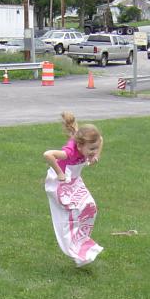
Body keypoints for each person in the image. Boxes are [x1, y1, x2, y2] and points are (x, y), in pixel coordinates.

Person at [42, 111, 104, 267]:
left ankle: (81, 243)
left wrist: (96, 156)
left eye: (95, 148)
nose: (93, 151)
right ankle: (71, 246)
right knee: (74, 211)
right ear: (79, 146)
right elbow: (48, 154)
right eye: (91, 149)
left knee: (91, 207)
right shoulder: (68, 152)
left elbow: (100, 140)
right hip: (58, 183)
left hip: (74, 181)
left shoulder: (89, 144)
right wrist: (59, 173)